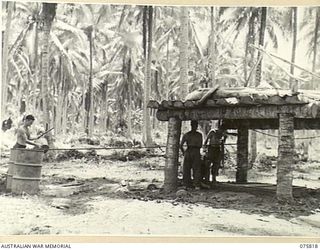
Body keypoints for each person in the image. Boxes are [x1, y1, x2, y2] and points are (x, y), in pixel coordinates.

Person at [180, 120, 203, 190]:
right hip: (195, 151)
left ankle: (187, 184)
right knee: (195, 169)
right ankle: (196, 185)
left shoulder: (187, 134)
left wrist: (184, 152)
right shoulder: (199, 135)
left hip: (189, 151)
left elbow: (181, 145)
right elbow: (200, 145)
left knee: (187, 169)